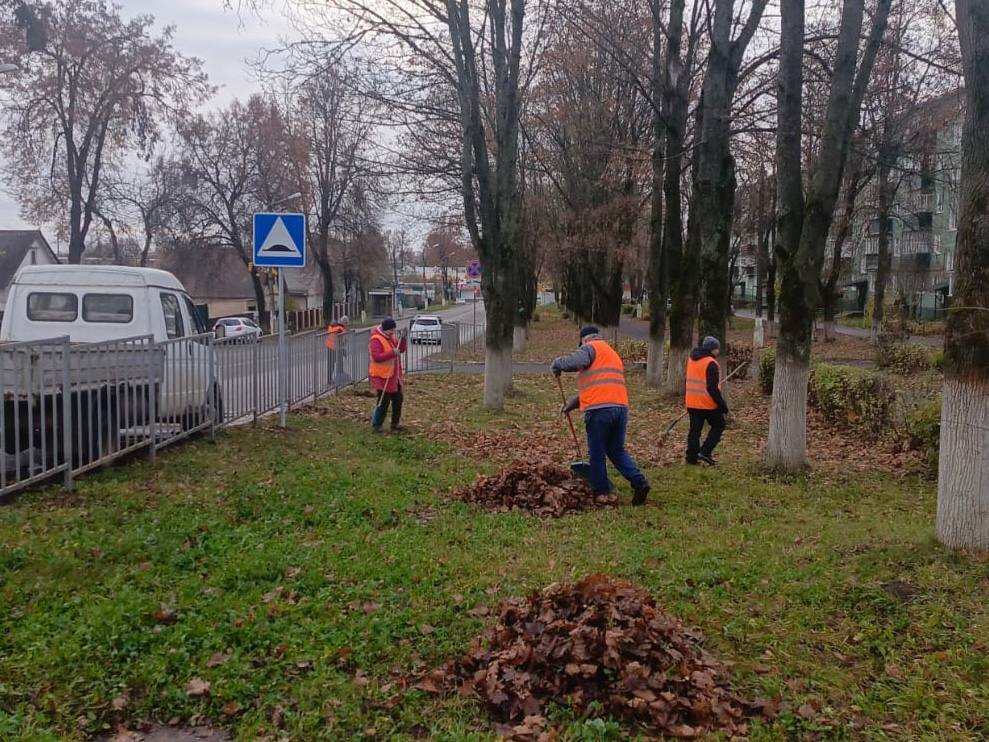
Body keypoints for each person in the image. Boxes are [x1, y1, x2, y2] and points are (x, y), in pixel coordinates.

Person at [551, 325, 651, 505]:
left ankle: (601, 493)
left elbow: (575, 362)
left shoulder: (589, 348)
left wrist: (557, 363)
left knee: (597, 453)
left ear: (583, 339)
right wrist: (571, 405)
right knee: (616, 450)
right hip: (620, 408)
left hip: (599, 411)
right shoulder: (611, 353)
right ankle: (639, 481)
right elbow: (600, 386)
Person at [685, 335, 728, 466]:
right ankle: (705, 451)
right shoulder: (710, 362)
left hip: (692, 402)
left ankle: (691, 458)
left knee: (695, 431)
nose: (718, 351)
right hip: (706, 403)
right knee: (719, 424)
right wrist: (722, 405)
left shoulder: (692, 359)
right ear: (712, 349)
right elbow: (712, 388)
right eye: (717, 349)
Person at [368, 317, 408, 433]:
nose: (392, 332)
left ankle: (395, 424)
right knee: (383, 402)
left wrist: (403, 339)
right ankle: (377, 424)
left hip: (394, 377)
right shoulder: (376, 339)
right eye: (390, 330)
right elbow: (377, 357)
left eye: (393, 330)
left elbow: (400, 349)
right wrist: (392, 353)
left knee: (398, 400)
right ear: (385, 329)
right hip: (382, 377)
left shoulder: (391, 338)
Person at [324, 315, 350, 384]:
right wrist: (343, 350)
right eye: (347, 324)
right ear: (344, 323)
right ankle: (338, 378)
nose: (347, 326)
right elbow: (340, 341)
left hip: (330, 346)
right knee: (337, 364)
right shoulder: (340, 329)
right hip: (335, 348)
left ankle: (332, 379)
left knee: (332, 364)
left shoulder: (333, 326)